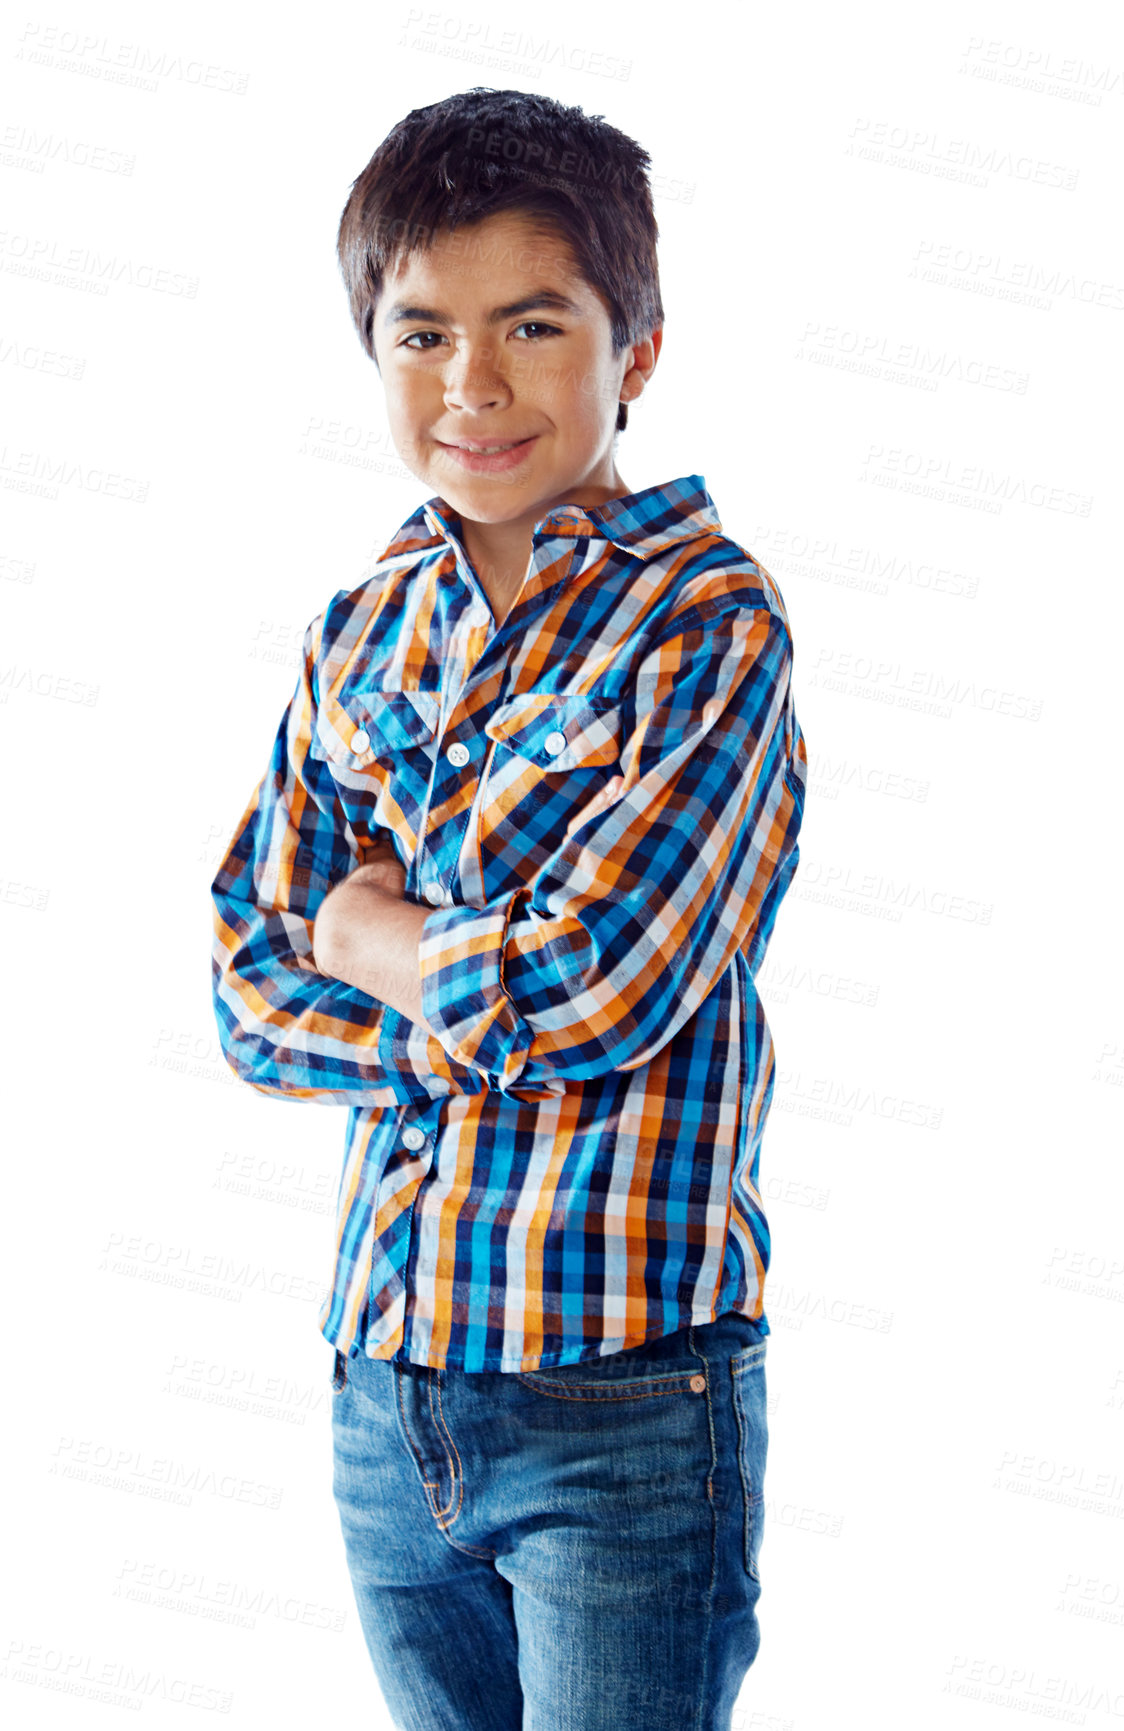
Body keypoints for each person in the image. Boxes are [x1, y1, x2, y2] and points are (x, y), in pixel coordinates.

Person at [209, 86, 807, 1731]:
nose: (472, 385)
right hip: (383, 1390)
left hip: (616, 1394)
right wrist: (475, 1001)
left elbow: (604, 988)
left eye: (531, 326)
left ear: (637, 350)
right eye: (422, 336)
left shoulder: (702, 629)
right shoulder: (364, 624)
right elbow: (250, 985)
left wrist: (382, 940)